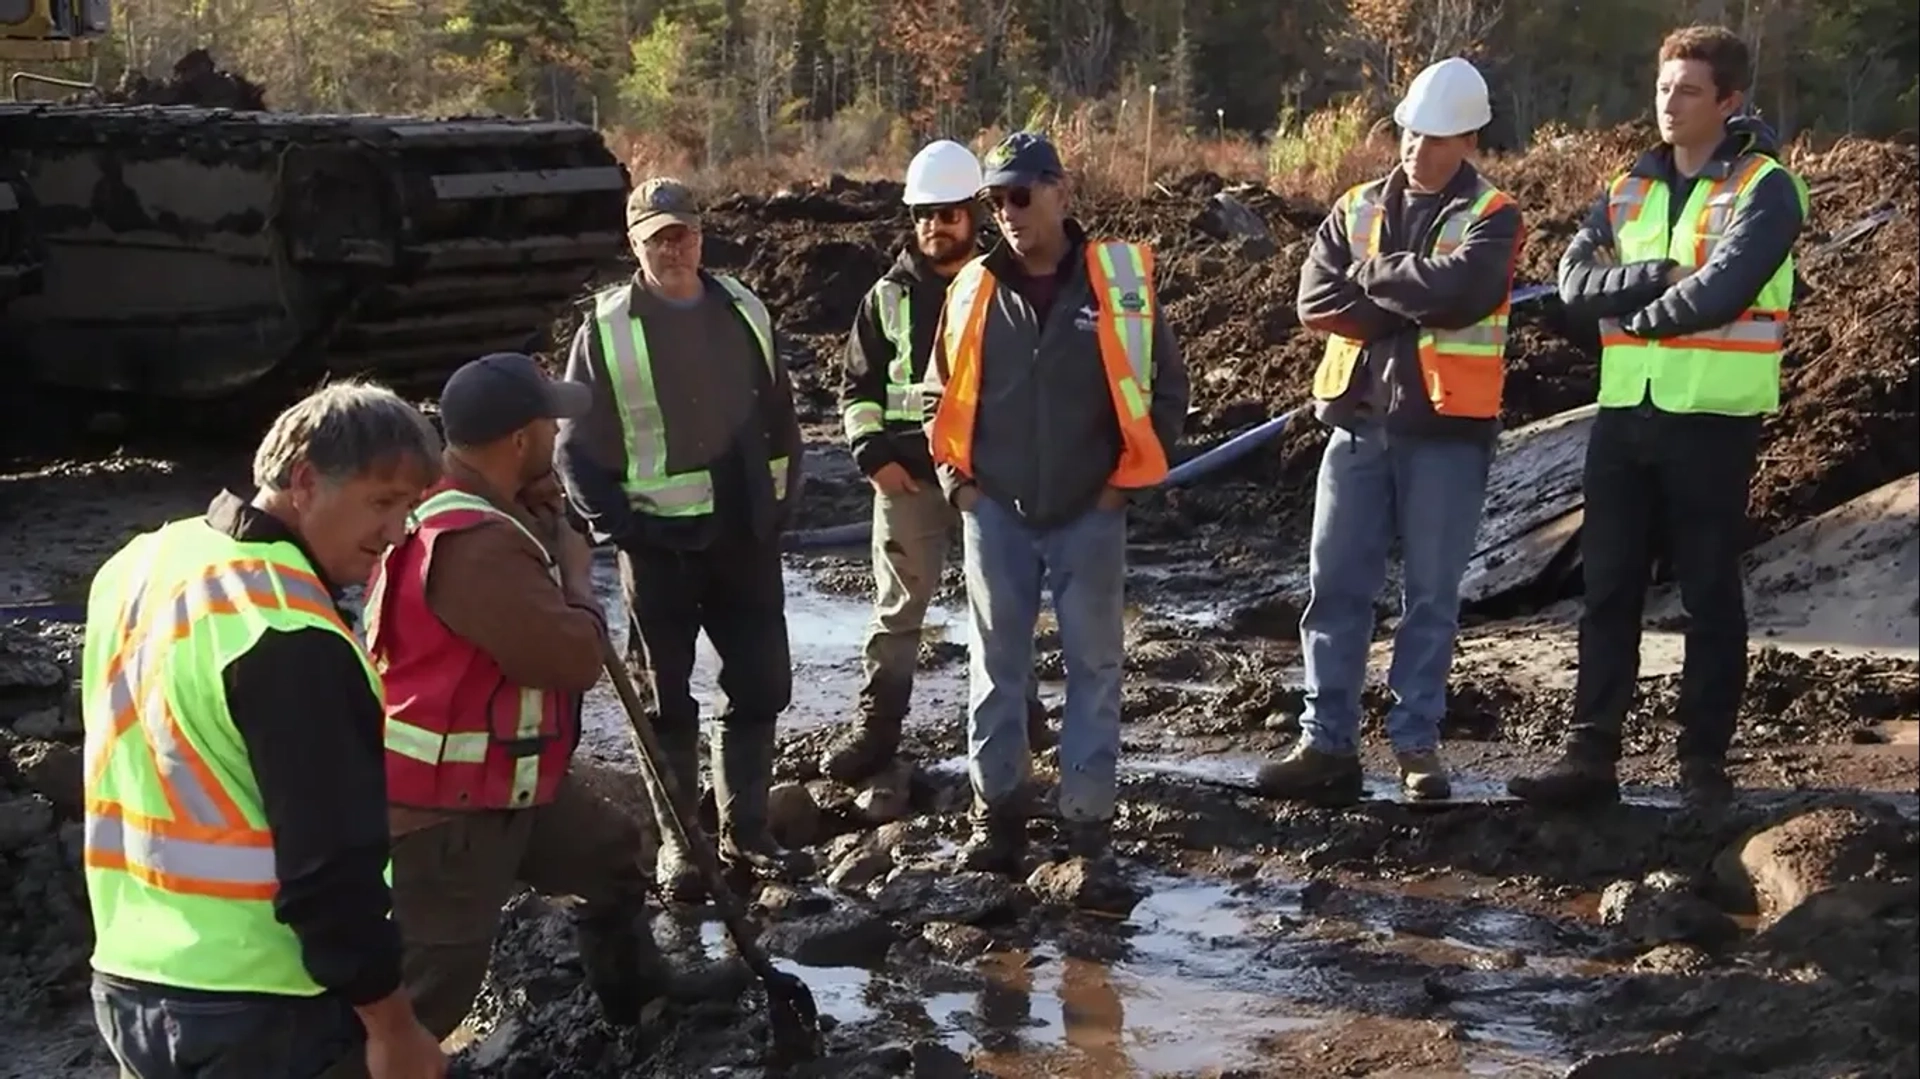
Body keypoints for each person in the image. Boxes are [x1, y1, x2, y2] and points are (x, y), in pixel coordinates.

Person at [347, 354, 743, 1059]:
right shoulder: (476, 545)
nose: (559, 436)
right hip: (450, 807)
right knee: (437, 982)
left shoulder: (455, 506)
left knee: (607, 850)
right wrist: (578, 576)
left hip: (504, 779)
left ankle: (637, 991)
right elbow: (571, 659)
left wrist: (536, 520)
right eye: (550, 426)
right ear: (522, 439)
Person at [81, 382, 447, 1079]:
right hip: (261, 1004)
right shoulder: (288, 630)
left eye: (410, 508)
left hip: (131, 977)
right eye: (382, 501)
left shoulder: (144, 562)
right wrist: (393, 1026)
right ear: (304, 480)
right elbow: (330, 866)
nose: (398, 531)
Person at [1509, 26, 1808, 810]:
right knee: (1608, 588)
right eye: (1663, 88)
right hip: (1625, 413)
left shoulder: (1764, 187)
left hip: (1712, 416)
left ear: (1730, 101)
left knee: (1709, 591)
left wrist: (1633, 316)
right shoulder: (1626, 186)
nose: (1668, 104)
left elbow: (1724, 290)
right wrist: (1657, 276)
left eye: (1688, 91)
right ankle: (1590, 757)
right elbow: (1571, 285)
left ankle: (1702, 763)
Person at [1255, 57, 1524, 807]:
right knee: (1335, 587)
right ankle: (1327, 742)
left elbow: (1463, 292)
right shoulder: (1357, 204)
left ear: (1468, 137)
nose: (1417, 149)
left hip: (1447, 431)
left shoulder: (1494, 215)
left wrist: (1373, 277)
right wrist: (1410, 290)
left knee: (1431, 596)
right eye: (1409, 133)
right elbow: (1317, 300)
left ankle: (1415, 744)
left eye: (1436, 138)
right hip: (1357, 426)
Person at [923, 131, 1189, 874]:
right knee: (995, 663)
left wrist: (1119, 487)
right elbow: (933, 395)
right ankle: (996, 812)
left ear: (1060, 192)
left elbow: (1167, 390)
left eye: (1021, 194)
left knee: (1095, 664)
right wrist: (961, 489)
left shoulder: (1120, 284)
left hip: (1089, 512)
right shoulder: (972, 289)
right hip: (997, 510)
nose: (1007, 212)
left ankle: (1086, 821)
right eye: (996, 199)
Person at [556, 177, 808, 902]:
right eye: (658, 236)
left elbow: (780, 412)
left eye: (684, 232)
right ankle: (681, 845)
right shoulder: (605, 327)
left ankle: (746, 830)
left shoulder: (744, 307)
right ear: (634, 244)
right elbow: (574, 446)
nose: (675, 247)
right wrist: (617, 525)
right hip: (658, 549)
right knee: (665, 701)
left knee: (762, 682)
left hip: (745, 538)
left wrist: (782, 499)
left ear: (701, 234)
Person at [823, 138, 1054, 785]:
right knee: (899, 610)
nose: (933, 226)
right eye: (923, 214)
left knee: (1004, 607)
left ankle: (1024, 721)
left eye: (947, 213)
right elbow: (856, 388)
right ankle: (878, 730)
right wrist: (872, 456)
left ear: (973, 214)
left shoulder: (1003, 288)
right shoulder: (887, 298)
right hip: (910, 481)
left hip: (989, 481)